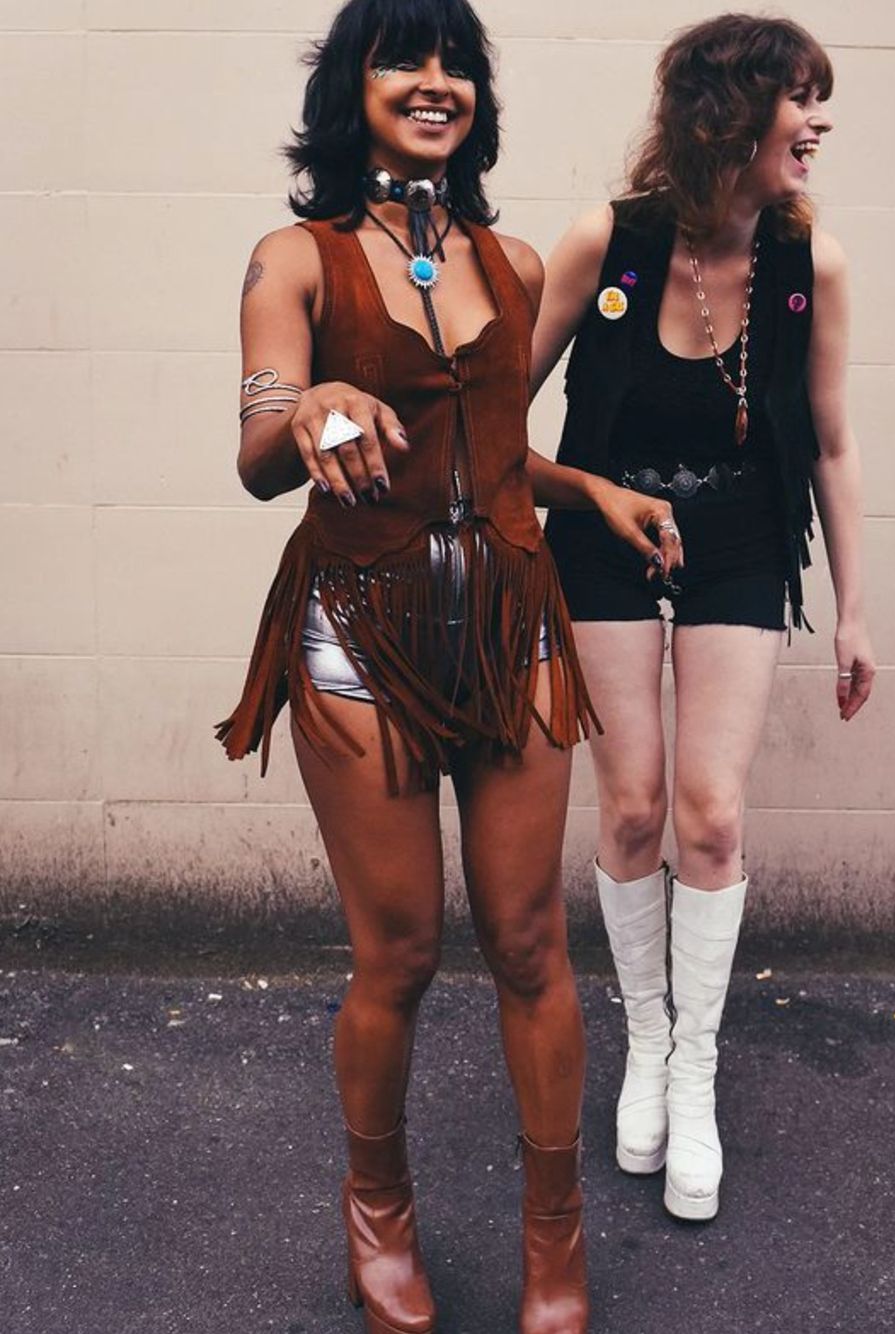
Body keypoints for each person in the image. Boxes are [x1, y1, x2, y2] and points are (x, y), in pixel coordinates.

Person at [213, 2, 664, 1327]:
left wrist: (594, 489)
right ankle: (379, 1208)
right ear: (350, 91)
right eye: (402, 59)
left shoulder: (511, 263)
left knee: (529, 941)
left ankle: (554, 1236)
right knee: (400, 952)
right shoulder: (295, 259)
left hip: (513, 629)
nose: (434, 81)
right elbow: (257, 450)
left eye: (456, 62)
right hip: (362, 633)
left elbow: (492, 453)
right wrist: (307, 404)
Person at [528, 14, 876, 1222]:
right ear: (730, 114)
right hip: (605, 537)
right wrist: (588, 495)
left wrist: (854, 609)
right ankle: (644, 1038)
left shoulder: (810, 263)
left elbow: (830, 441)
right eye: (800, 98)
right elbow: (492, 424)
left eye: (819, 97)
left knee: (711, 818)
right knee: (632, 808)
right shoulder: (606, 243)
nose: (818, 121)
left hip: (739, 539)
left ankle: (696, 1065)